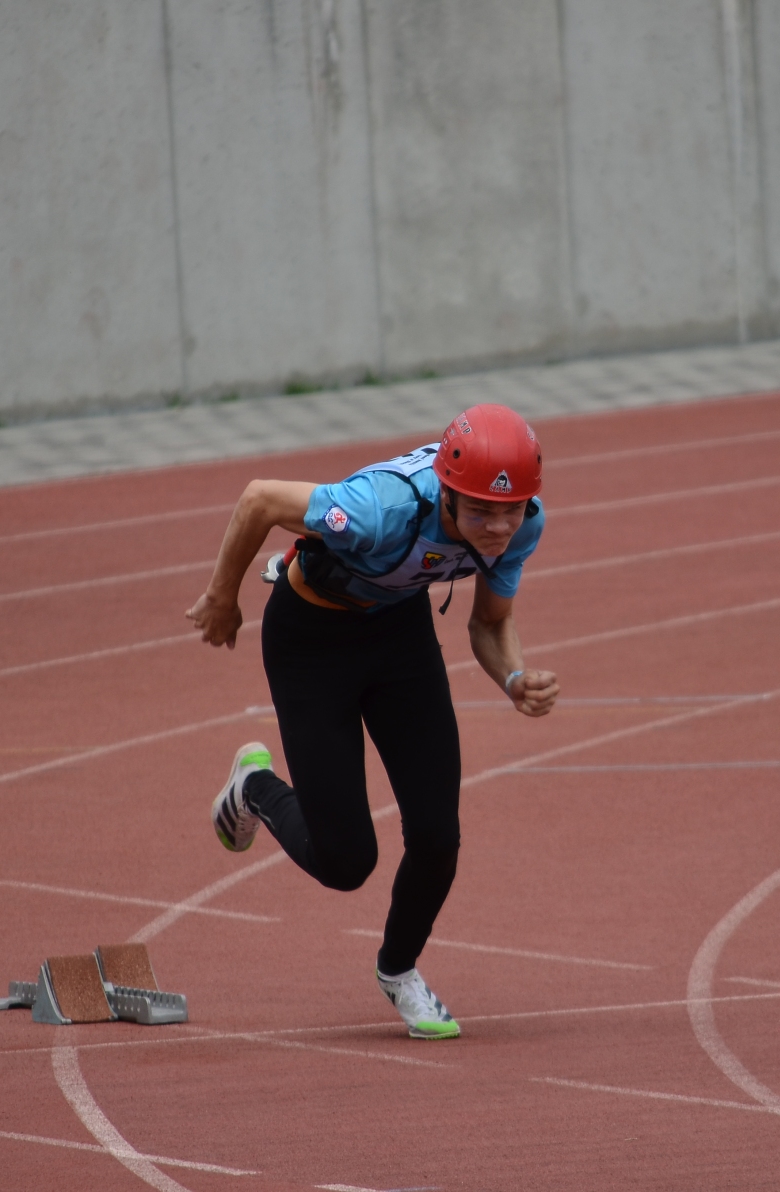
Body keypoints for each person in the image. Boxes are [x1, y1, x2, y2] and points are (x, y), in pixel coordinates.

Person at [185, 404, 560, 1039]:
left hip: (398, 637)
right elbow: (259, 499)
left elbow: (490, 624)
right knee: (346, 862)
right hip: (311, 642)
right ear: (447, 492)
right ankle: (253, 787)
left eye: (511, 510)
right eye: (480, 512)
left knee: (438, 837)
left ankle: (399, 970)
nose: (498, 528)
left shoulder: (524, 525)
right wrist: (224, 596)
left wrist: (515, 678)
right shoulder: (379, 508)